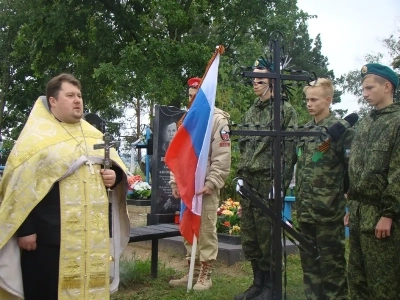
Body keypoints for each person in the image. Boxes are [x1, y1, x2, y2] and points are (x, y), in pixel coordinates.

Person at [0, 73, 130, 299]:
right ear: (53, 101)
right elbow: (19, 188)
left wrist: (114, 176)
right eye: (70, 95)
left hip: (91, 237)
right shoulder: (36, 139)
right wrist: (26, 229)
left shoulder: (92, 134)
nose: (78, 100)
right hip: (48, 238)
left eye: (79, 95)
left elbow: (115, 166)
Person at [235, 58, 298, 300]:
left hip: (267, 181)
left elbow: (288, 149)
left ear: (272, 81)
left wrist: (279, 184)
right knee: (250, 237)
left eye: (259, 79)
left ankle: (272, 287)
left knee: (267, 238)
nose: (255, 83)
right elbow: (244, 146)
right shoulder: (251, 111)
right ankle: (258, 283)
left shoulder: (285, 110)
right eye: (253, 79)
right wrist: (240, 176)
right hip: (249, 181)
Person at [168, 77, 231, 291]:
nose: (192, 100)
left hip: (204, 188)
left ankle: (206, 274)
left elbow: (222, 155)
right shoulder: (187, 120)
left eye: (196, 96)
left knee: (205, 230)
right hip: (188, 188)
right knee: (188, 228)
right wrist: (175, 181)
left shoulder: (217, 120)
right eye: (190, 96)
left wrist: (212, 182)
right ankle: (192, 270)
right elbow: (178, 154)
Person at [294, 78, 354, 299]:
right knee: (309, 266)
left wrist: (347, 199)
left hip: (328, 212)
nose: (309, 104)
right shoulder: (305, 131)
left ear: (328, 100)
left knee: (332, 267)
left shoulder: (340, 131)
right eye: (307, 99)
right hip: (305, 210)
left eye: (314, 99)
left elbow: (351, 169)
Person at [346, 63, 400, 299]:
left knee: (383, 283)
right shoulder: (366, 123)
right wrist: (351, 206)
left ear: (387, 87)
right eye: (363, 89)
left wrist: (388, 213)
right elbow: (356, 167)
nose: (364, 93)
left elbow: (397, 173)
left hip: (382, 214)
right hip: (359, 211)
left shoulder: (396, 122)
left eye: (369, 88)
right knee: (357, 279)